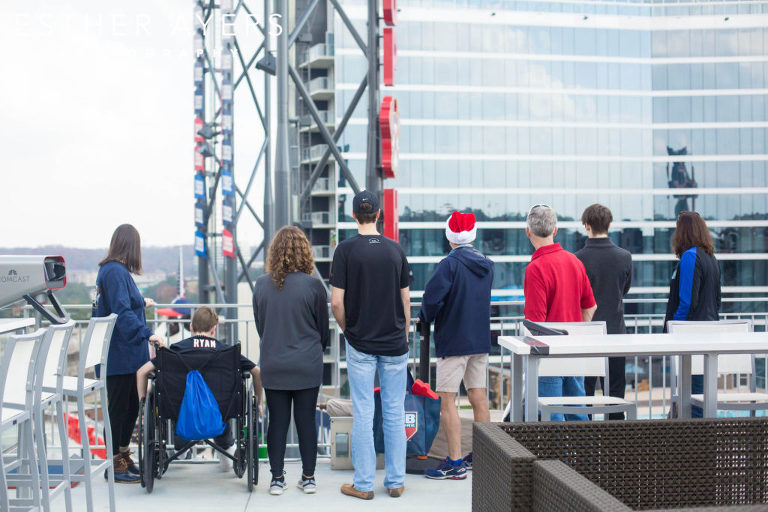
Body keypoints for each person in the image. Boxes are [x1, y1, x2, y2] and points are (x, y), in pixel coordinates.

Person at [330, 190, 411, 500]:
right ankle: (396, 481)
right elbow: (405, 300)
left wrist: (348, 328)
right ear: (379, 215)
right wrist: (403, 333)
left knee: (364, 413)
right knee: (394, 411)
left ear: (354, 216)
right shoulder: (395, 251)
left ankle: (363, 484)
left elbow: (336, 302)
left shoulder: (345, 251)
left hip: (361, 342)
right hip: (394, 342)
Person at [252, 226, 329, 495]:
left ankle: (276, 479)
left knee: (278, 422)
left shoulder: (261, 284)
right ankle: (308, 478)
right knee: (306, 421)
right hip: (306, 363)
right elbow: (323, 331)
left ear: (275, 252)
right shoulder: (314, 286)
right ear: (304, 252)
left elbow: (261, 325)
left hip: (274, 363)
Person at [136, 306, 262, 470]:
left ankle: (179, 450)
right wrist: (258, 402)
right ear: (214, 329)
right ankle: (227, 452)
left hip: (181, 413)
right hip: (221, 412)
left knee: (181, 406)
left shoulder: (173, 352)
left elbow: (141, 372)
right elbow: (257, 372)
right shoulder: (227, 353)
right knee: (220, 408)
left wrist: (142, 404)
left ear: (191, 328)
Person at [419, 211, 493, 479]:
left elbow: (432, 299)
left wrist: (424, 319)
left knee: (448, 400)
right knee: (478, 396)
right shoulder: (487, 264)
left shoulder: (448, 265)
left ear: (450, 236)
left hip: (454, 341)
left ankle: (454, 462)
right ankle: (486, 456)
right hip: (480, 340)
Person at [95, 224, 164, 483]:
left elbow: (123, 302)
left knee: (130, 408)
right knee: (119, 411)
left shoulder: (116, 271)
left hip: (128, 357)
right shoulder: (114, 272)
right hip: (119, 355)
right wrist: (148, 333)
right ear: (131, 247)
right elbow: (120, 312)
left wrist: (141, 301)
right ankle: (115, 465)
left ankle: (123, 458)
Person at [523, 205, 597, 421]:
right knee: (578, 416)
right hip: (573, 352)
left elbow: (535, 323)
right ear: (555, 230)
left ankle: (557, 457)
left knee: (552, 418)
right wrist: (576, 336)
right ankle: (584, 456)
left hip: (549, 357)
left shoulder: (535, 269)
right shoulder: (575, 261)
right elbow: (590, 306)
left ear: (528, 231)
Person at [575, 204, 632, 420]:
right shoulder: (624, 256)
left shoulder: (578, 258)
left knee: (585, 392)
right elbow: (624, 290)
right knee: (616, 392)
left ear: (586, 226)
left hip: (587, 335)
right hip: (616, 332)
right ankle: (616, 444)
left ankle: (585, 442)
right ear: (609, 225)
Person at [663, 211, 721, 418]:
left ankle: (695, 443)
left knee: (693, 393)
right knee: (701, 390)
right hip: (709, 332)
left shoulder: (690, 256)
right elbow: (717, 301)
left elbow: (687, 301)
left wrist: (673, 330)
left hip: (691, 335)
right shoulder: (711, 258)